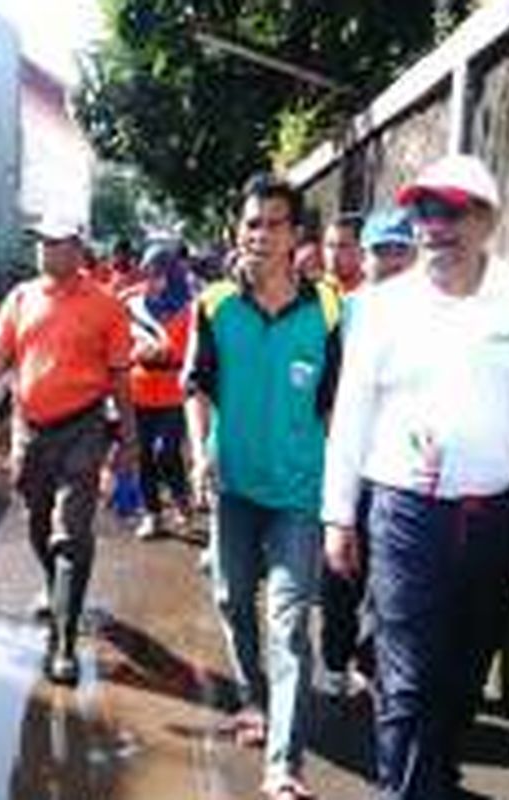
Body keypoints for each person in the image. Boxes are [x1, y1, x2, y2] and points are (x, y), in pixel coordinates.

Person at [322, 153, 509, 800]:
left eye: (449, 211)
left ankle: (434, 769)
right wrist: (339, 514)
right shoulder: (383, 308)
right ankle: (410, 788)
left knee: (460, 678)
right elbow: (352, 414)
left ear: (486, 220)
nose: (432, 227)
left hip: (497, 519)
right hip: (404, 517)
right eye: (422, 211)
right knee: (410, 681)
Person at [185, 172, 342, 800]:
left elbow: (335, 407)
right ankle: (254, 695)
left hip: (299, 496)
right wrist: (200, 456)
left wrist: (341, 495)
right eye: (251, 224)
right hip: (234, 489)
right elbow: (197, 386)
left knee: (288, 624)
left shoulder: (328, 309)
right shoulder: (215, 304)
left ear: (296, 236)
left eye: (273, 224)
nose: (259, 234)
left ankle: (284, 766)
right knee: (229, 599)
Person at [0, 216, 138, 686]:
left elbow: (118, 376)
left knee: (70, 532)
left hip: (84, 427)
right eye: (41, 244)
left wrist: (129, 439)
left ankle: (65, 642)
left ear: (77, 249)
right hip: (29, 429)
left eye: (55, 243)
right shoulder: (21, 298)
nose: (45, 252)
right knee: (36, 522)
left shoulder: (106, 305)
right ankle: (58, 591)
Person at [317, 207, 417, 699]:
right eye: (382, 251)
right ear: (367, 257)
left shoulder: (438, 313)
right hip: (354, 464)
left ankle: (375, 660)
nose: (393, 261)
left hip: (409, 473)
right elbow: (327, 395)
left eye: (402, 250)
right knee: (340, 575)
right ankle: (335, 661)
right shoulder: (347, 314)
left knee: (396, 581)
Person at [124, 243, 194, 539]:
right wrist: (136, 352)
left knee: (167, 453)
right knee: (142, 455)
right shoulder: (130, 304)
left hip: (174, 392)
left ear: (172, 274)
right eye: (147, 273)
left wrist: (166, 352)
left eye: (158, 274)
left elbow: (195, 349)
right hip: (138, 389)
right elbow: (116, 341)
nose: (152, 281)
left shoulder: (190, 308)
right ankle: (152, 513)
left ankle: (182, 503)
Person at [322, 212, 366, 296]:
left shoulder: (377, 295)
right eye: (329, 246)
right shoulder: (314, 296)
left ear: (362, 250)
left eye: (343, 246)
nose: (333, 254)